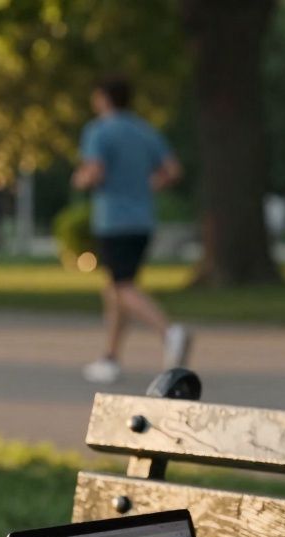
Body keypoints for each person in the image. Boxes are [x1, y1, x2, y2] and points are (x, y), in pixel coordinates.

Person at [72, 75, 190, 384]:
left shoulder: (98, 131)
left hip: (114, 220)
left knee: (123, 288)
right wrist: (147, 186)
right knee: (114, 289)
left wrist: (82, 178)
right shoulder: (144, 131)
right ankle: (110, 357)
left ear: (102, 98)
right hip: (142, 220)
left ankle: (169, 332)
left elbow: (95, 171)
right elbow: (173, 170)